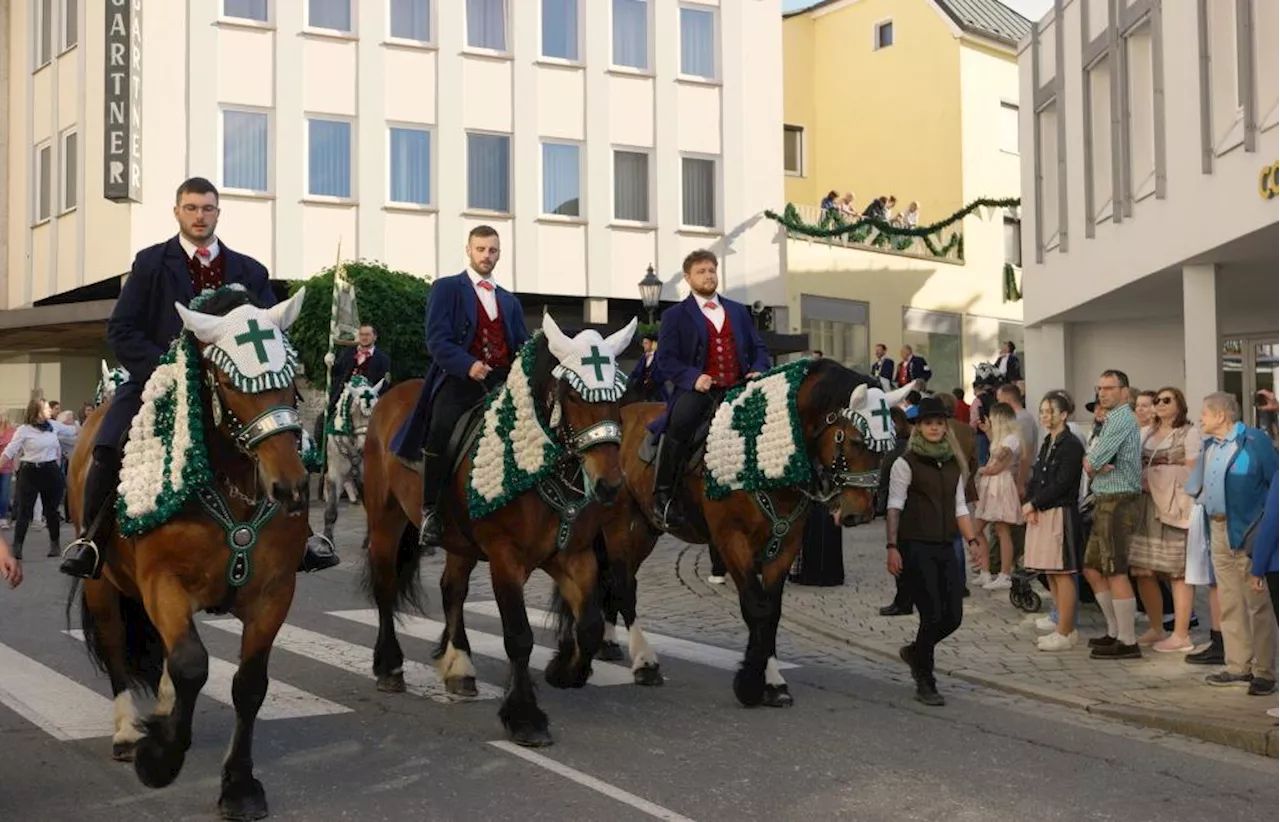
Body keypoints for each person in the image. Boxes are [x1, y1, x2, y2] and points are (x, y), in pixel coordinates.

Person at [59, 177, 339, 580]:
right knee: (107, 442)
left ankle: (303, 535)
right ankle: (90, 539)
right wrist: (166, 371)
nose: (199, 216)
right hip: (158, 380)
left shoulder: (250, 270)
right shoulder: (151, 264)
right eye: (191, 208)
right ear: (177, 212)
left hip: (234, 386)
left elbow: (269, 333)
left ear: (218, 213)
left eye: (207, 208)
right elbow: (121, 330)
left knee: (287, 438)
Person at [393, 225, 529, 548]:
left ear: (499, 253)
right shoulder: (447, 289)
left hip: (503, 383)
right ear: (468, 250)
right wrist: (468, 365)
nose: (486, 255)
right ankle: (430, 511)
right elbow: (436, 340)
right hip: (459, 380)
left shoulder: (510, 301)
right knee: (440, 427)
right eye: (480, 249)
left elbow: (521, 345)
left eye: (492, 250)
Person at [649, 249, 770, 528]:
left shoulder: (738, 311)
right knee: (680, 423)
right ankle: (664, 495)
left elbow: (759, 349)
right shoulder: (675, 315)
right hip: (700, 391)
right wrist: (693, 378)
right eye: (701, 271)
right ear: (688, 278)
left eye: (712, 270)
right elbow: (665, 359)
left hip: (739, 389)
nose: (708, 276)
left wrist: (759, 369)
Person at [885, 396, 981, 706]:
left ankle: (915, 652)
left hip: (946, 545)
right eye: (928, 423)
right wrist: (892, 547)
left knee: (952, 616)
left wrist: (973, 542)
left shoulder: (953, 463)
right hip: (915, 547)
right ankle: (925, 680)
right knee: (931, 614)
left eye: (939, 423)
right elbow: (894, 507)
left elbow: (959, 508)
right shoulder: (905, 463)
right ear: (918, 428)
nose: (935, 428)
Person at [1186, 392, 1278, 694]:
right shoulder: (1210, 444)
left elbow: (1274, 482)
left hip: (1248, 532)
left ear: (1221, 416)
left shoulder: (1254, 442)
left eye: (1205, 413)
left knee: (1257, 603)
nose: (1200, 419)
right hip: (1218, 529)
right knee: (1229, 600)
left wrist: (1263, 524)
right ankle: (1238, 665)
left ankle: (1264, 671)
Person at [1081, 370, 1144, 660]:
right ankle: (1115, 631)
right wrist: (1095, 462)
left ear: (1124, 391)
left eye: (1108, 388)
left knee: (1115, 569)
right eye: (1099, 388)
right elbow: (1095, 461)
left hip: (1118, 500)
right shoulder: (1109, 418)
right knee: (1093, 567)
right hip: (1104, 498)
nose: (1102, 393)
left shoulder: (1120, 418)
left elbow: (1093, 459)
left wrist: (1094, 462)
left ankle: (1128, 641)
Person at [1023, 392, 1087, 651]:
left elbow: (1063, 483)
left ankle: (1066, 630)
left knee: (1064, 572)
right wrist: (1031, 501)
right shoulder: (1048, 441)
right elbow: (1038, 476)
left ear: (1063, 414)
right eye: (1043, 411)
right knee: (1050, 571)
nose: (1045, 416)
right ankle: (1062, 623)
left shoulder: (1070, 444)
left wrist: (1035, 502)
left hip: (1061, 513)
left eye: (1050, 411)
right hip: (1044, 513)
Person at [0, 399, 77, 560]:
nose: (50, 411)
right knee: (24, 511)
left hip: (50, 471)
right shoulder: (23, 430)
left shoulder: (53, 426)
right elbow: (10, 450)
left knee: (51, 510)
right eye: (46, 408)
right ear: (37, 411)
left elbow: (72, 431)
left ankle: (55, 544)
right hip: (30, 471)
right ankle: (18, 546)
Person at [971, 403, 1025, 590]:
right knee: (977, 528)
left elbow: (996, 466)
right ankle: (986, 572)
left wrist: (978, 470)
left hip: (1000, 484)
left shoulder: (1012, 440)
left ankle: (1005, 574)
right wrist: (988, 433)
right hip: (993, 485)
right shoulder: (1005, 438)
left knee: (1002, 530)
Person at [326, 323, 391, 416]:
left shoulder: (383, 359)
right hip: (343, 396)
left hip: (368, 400)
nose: (364, 338)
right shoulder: (347, 353)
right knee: (322, 421)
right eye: (361, 334)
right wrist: (329, 364)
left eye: (367, 335)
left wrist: (371, 395)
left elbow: (385, 383)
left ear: (375, 337)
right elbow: (336, 372)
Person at [627, 332, 665, 403]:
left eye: (646, 343)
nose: (643, 345)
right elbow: (636, 371)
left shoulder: (660, 357)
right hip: (642, 390)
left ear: (653, 344)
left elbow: (663, 373)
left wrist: (653, 381)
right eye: (643, 343)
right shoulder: (643, 357)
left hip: (656, 390)